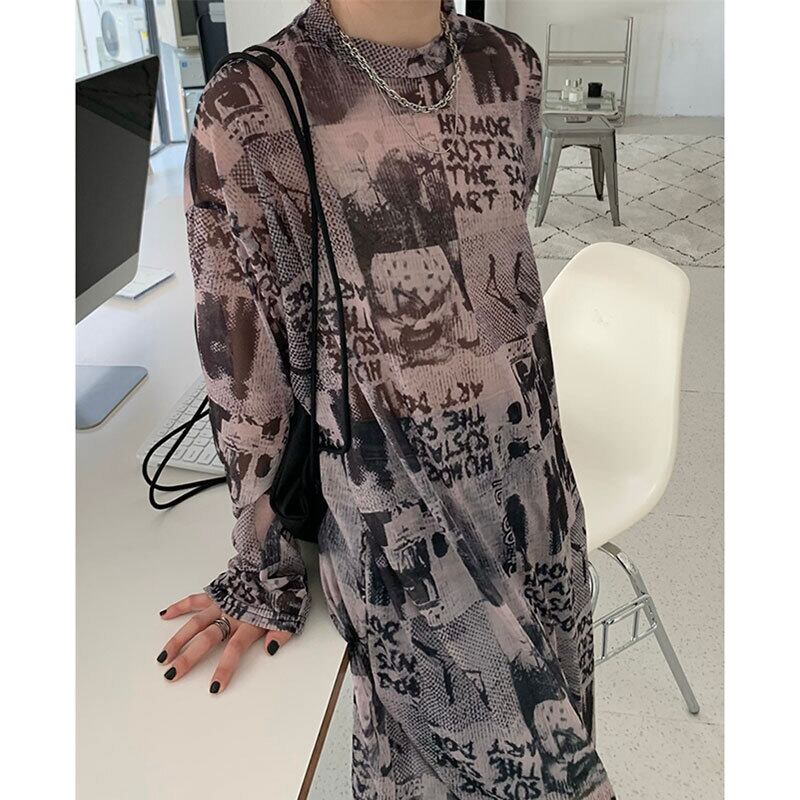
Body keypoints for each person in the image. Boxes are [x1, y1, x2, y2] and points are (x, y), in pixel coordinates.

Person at [158, 1, 617, 797]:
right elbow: (246, 380)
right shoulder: (250, 109)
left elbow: (495, 300)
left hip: (542, 503)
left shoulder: (512, 68)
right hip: (406, 542)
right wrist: (263, 567)